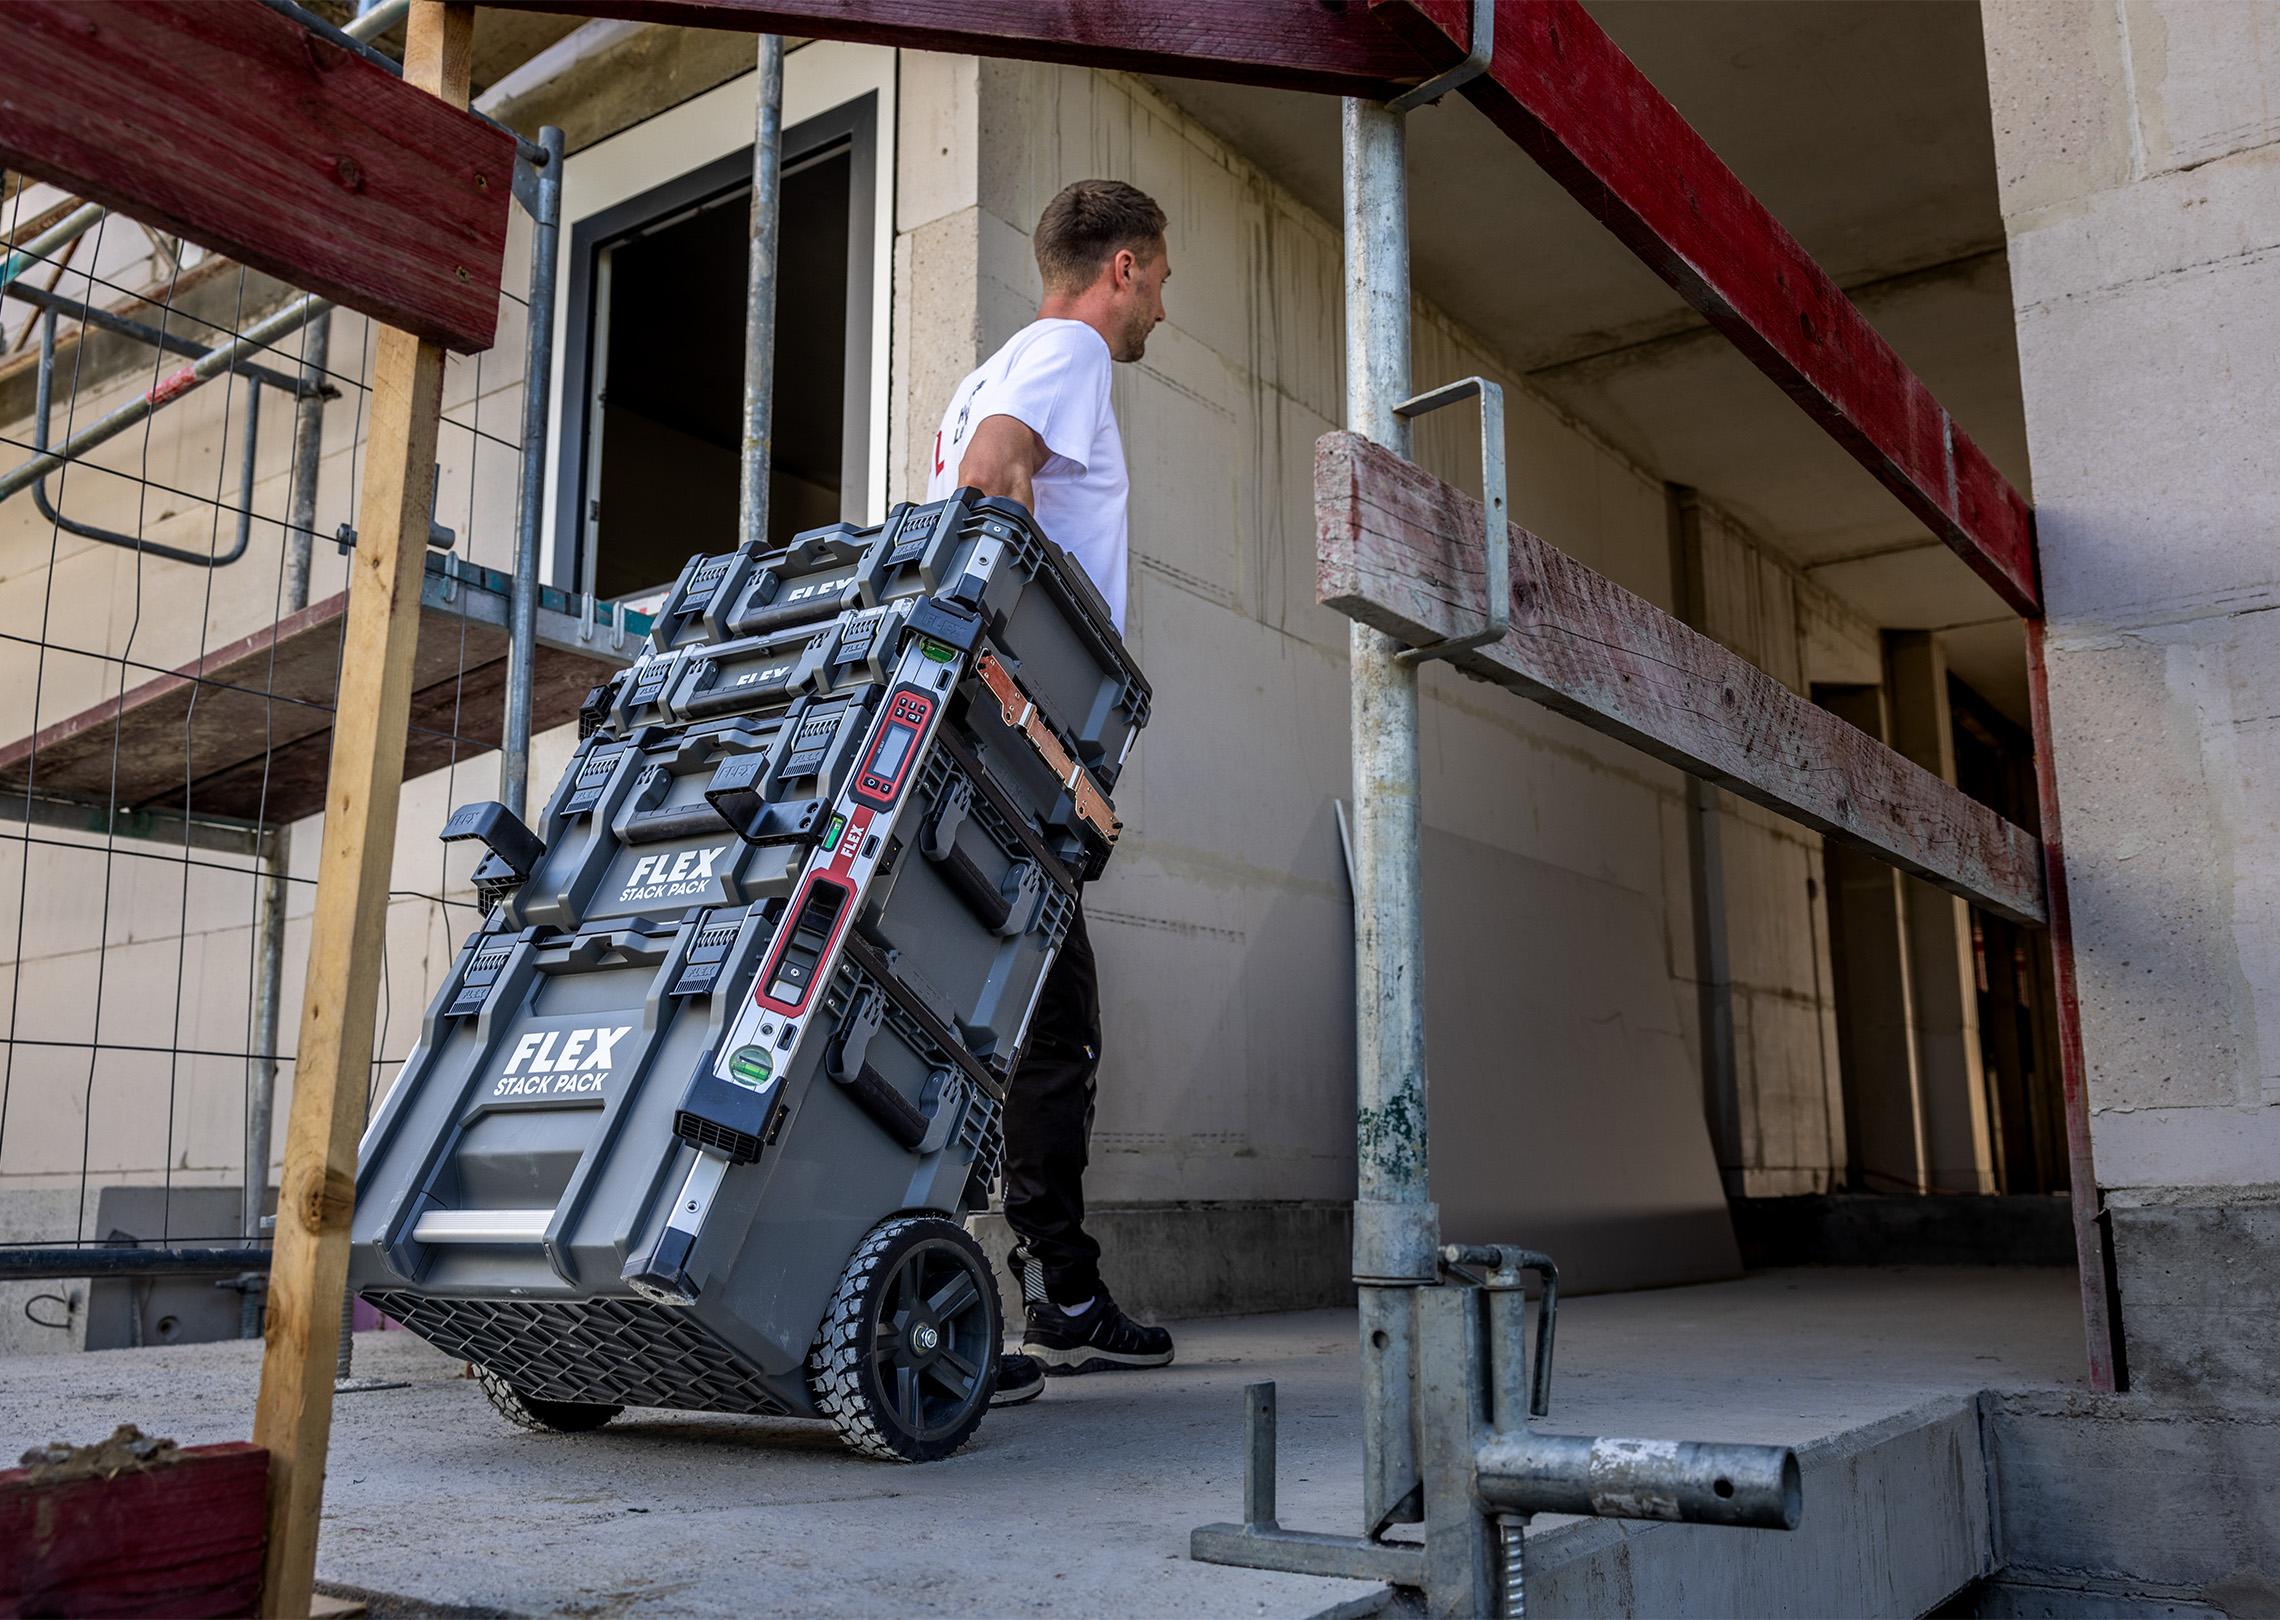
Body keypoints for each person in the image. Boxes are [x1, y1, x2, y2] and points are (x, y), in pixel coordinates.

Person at [923, 178, 1175, 1407]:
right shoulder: (1069, 347)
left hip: (979, 725)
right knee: (1046, 1029)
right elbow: (990, 482)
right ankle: (1040, 1291)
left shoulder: (996, 362)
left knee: (1016, 1018)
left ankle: (1048, 1284)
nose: (1160, 311)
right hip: (1015, 736)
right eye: (1161, 281)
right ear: (1122, 267)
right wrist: (1037, 711)